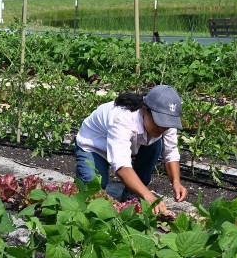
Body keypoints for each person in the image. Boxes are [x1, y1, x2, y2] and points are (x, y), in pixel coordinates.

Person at [74, 85, 187, 213]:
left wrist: (176, 183)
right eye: (158, 124)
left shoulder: (165, 120)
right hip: (95, 147)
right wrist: (149, 196)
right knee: (93, 190)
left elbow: (171, 152)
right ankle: (84, 177)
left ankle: (132, 195)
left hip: (132, 144)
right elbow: (121, 166)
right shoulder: (122, 118)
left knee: (156, 144)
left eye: (165, 127)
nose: (162, 129)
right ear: (144, 111)